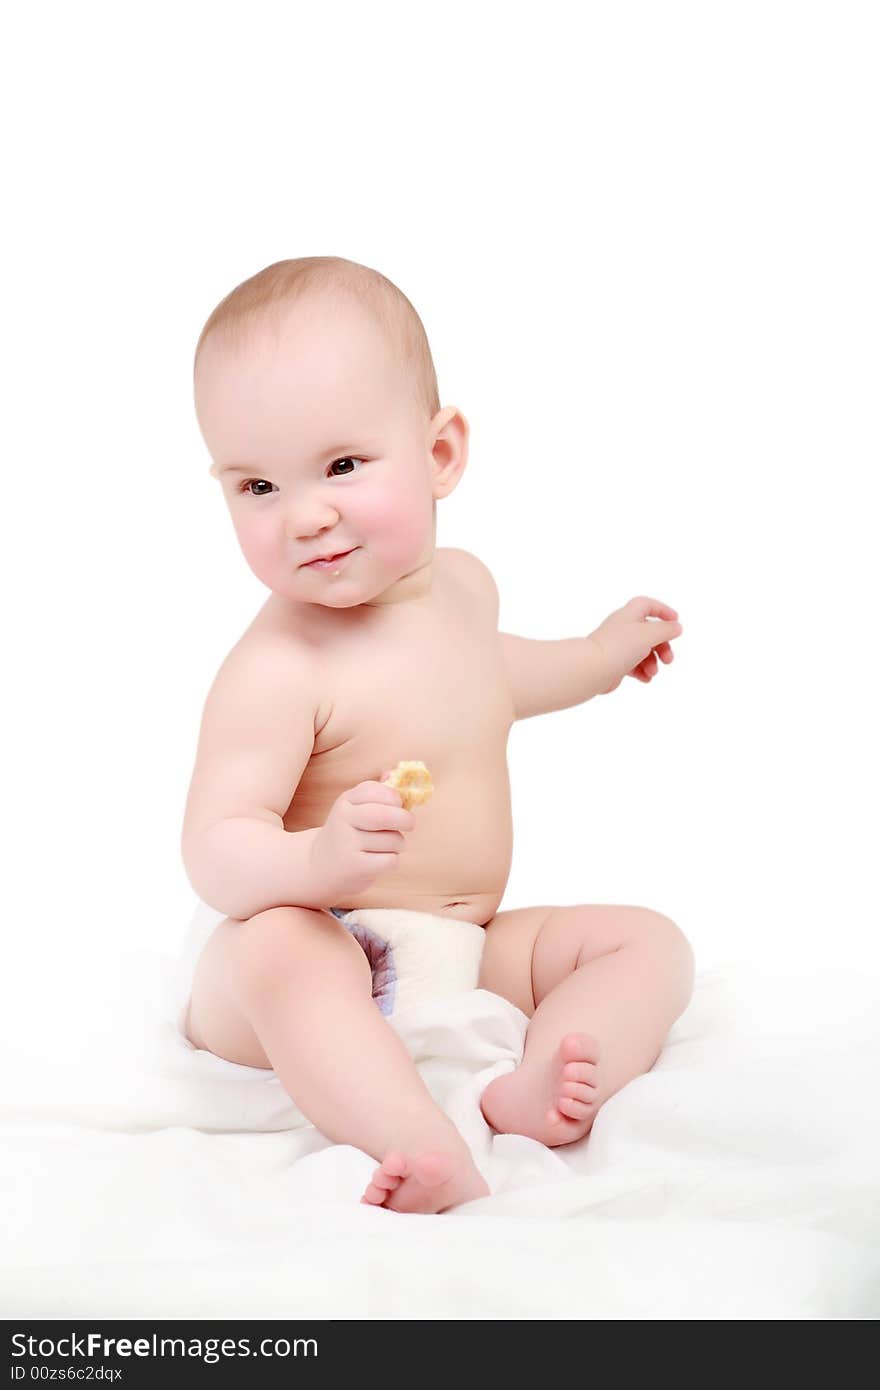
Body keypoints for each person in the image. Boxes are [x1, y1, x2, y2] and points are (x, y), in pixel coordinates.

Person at [181, 255, 695, 1214]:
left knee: (647, 944)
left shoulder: (461, 587)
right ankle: (420, 1137)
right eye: (257, 486)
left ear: (441, 455)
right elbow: (215, 850)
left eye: (341, 465)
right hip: (317, 944)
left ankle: (532, 1088)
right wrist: (314, 861)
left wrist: (594, 656)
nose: (307, 515)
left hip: (461, 943)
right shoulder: (280, 668)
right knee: (280, 952)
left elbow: (491, 679)